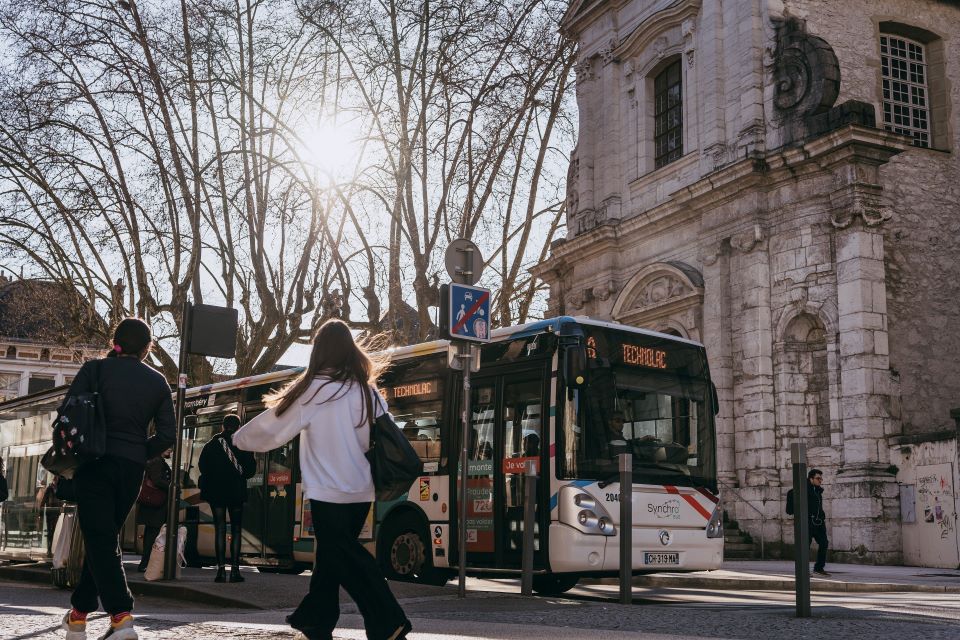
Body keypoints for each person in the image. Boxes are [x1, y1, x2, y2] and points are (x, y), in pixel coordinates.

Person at [233, 319, 411, 640]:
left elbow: (272, 427)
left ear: (319, 351)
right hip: (361, 490)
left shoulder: (314, 391)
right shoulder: (367, 393)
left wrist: (238, 439)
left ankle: (388, 620)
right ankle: (316, 619)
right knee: (332, 556)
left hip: (327, 491)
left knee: (342, 555)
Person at [61, 318, 176, 640]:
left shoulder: (94, 370)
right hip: (130, 470)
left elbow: (67, 411)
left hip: (94, 462)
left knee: (100, 539)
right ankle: (78, 616)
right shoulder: (158, 381)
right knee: (104, 539)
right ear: (147, 348)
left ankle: (121, 617)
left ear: (116, 342)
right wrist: (140, 451)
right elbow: (168, 434)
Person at [198, 414, 255, 583]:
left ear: (223, 426)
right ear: (238, 427)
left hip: (216, 493)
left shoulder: (211, 445)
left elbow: (202, 467)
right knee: (236, 530)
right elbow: (250, 471)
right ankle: (235, 571)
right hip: (236, 493)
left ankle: (221, 572)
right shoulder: (243, 444)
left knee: (220, 529)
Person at [135, 449, 172, 573]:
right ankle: (145, 563)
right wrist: (173, 485)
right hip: (155, 504)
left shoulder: (157, 460)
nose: (171, 449)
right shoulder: (157, 461)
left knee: (151, 533)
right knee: (152, 534)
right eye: (168, 447)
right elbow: (157, 480)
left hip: (153, 503)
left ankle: (145, 563)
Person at [807, 468, 830, 577]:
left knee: (824, 543)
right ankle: (804, 569)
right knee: (805, 545)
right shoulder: (805, 489)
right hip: (808, 522)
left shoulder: (818, 490)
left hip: (819, 522)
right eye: (818, 478)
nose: (820, 480)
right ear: (811, 479)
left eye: (821, 478)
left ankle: (819, 568)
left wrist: (821, 516)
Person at [39, 476, 63, 557]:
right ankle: (49, 550)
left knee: (55, 531)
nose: (56, 482)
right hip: (50, 512)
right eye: (56, 480)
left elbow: (61, 500)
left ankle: (53, 549)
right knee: (50, 531)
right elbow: (43, 501)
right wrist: (41, 513)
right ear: (54, 480)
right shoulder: (49, 488)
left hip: (57, 512)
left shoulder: (59, 489)